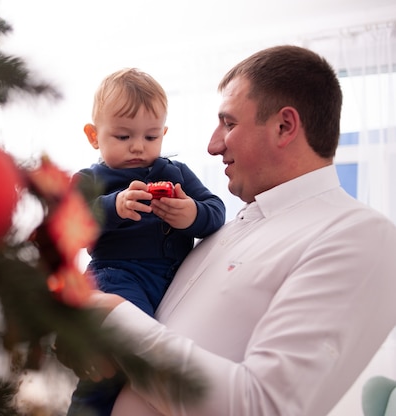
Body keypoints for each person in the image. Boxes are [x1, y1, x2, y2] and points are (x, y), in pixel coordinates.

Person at [62, 45, 396, 415]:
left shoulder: (360, 236)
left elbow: (262, 407)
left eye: (230, 123)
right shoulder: (231, 230)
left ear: (284, 126)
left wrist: (109, 315)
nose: (211, 145)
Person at [68, 68, 226, 415]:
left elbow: (216, 210)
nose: (139, 147)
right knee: (119, 362)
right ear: (94, 136)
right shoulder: (90, 179)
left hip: (172, 284)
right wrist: (114, 206)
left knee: (157, 360)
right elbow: (68, 228)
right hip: (116, 278)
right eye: (123, 137)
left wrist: (191, 215)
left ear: (164, 133)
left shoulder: (176, 172)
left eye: (151, 137)